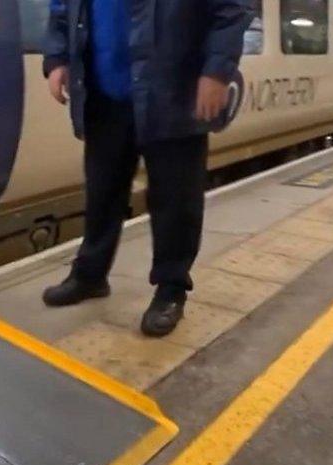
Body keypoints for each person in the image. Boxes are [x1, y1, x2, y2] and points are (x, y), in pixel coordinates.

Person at [41, 0, 253, 337]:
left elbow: (231, 10)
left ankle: (171, 289)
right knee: (101, 192)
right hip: (104, 94)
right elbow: (63, 8)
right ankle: (90, 275)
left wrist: (216, 71)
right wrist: (57, 59)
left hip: (172, 91)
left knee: (175, 199)